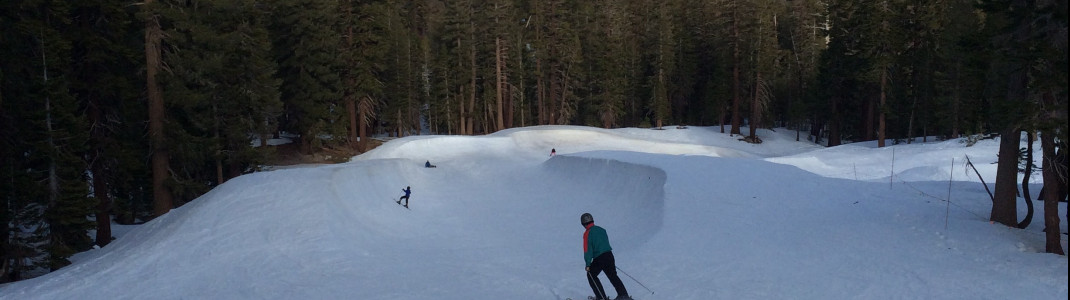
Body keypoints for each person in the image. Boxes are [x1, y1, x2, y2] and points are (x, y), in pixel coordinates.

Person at [581, 213, 631, 300]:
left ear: (583, 224)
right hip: (609, 255)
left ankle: (601, 297)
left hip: (599, 258)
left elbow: (587, 250)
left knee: (591, 275)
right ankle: (623, 295)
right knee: (612, 275)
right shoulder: (602, 230)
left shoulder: (587, 233)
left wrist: (588, 264)